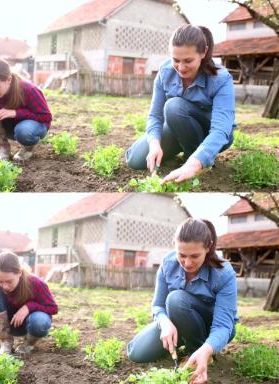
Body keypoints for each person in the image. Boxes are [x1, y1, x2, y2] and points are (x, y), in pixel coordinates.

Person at [127, 219, 238, 384]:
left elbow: (223, 326)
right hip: (178, 321)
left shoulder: (223, 273)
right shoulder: (168, 264)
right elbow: (158, 305)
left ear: (208, 247)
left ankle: (198, 352)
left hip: (212, 328)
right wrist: (164, 322)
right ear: (175, 246)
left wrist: (207, 349)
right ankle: (183, 341)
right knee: (136, 352)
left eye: (195, 256)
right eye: (182, 255)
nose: (187, 263)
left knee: (175, 299)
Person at [125, 25, 235, 184]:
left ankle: (196, 158)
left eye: (188, 61)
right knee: (135, 160)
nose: (181, 68)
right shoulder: (165, 72)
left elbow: (221, 129)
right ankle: (186, 151)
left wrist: (195, 163)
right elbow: (155, 116)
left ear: (203, 52)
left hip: (209, 133)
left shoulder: (221, 78)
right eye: (176, 60)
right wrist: (155, 144)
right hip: (178, 127)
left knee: (173, 106)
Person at [0, 252, 58, 354]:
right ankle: (6, 343)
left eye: (9, 281)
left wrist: (28, 307)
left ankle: (28, 344)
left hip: (29, 325)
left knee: (40, 320)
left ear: (19, 273)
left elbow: (53, 308)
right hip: (7, 324)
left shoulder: (36, 283)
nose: (5, 286)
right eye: (0, 281)